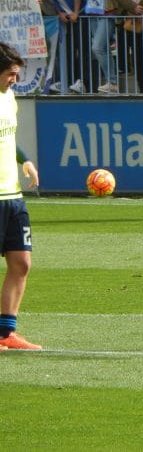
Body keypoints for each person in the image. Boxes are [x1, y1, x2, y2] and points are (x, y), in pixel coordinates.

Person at [0, 42, 41, 351]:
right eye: (11, 74)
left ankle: (5, 333)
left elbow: (8, 139)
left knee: (22, 262)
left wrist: (24, 159)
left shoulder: (9, 97)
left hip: (12, 195)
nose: (15, 79)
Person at [42, 0, 83, 93]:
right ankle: (65, 80)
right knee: (67, 49)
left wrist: (76, 12)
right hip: (64, 14)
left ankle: (81, 81)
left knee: (81, 48)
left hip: (80, 12)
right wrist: (60, 11)